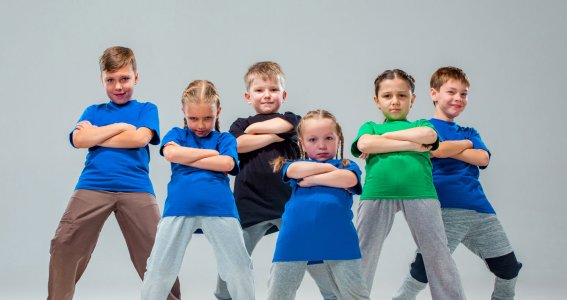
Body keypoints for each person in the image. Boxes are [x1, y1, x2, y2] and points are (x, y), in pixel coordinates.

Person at [47, 46, 180, 300]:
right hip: (92, 185)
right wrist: (118, 126)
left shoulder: (146, 109)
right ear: (102, 80)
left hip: (136, 187)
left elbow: (140, 139)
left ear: (136, 77)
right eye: (111, 80)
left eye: (124, 79)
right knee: (64, 243)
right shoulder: (94, 111)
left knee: (159, 251)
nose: (118, 86)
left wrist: (95, 135)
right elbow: (78, 140)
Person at [392, 67, 522, 300]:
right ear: (434, 94)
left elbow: (482, 158)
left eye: (464, 94)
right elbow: (434, 151)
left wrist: (448, 148)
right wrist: (465, 145)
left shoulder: (469, 130)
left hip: (481, 211)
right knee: (423, 271)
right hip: (443, 210)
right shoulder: (423, 127)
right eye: (452, 92)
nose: (458, 98)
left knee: (509, 269)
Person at [215, 61, 336, 300]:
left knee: (311, 251)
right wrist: (274, 137)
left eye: (273, 89)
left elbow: (286, 125)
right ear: (248, 96)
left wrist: (258, 133)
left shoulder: (293, 120)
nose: (267, 95)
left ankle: (333, 294)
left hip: (289, 203)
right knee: (234, 256)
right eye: (260, 90)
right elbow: (237, 145)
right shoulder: (241, 124)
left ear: (283, 94)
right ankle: (223, 296)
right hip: (248, 205)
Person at [351, 69, 465, 300]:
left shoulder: (423, 123)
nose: (395, 101)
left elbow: (429, 137)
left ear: (412, 99)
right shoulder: (370, 126)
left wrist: (381, 143)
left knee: (437, 254)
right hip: (376, 194)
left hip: (421, 193)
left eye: (402, 95)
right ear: (377, 100)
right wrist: (412, 145)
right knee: (362, 253)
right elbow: (364, 143)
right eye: (387, 96)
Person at [141, 80, 254, 300]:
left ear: (218, 111)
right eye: (193, 118)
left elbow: (227, 165)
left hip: (221, 209)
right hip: (178, 209)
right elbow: (172, 154)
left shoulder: (224, 138)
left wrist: (189, 156)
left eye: (207, 118)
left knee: (239, 271)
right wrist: (212, 155)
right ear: (183, 111)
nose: (200, 125)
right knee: (159, 271)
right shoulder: (177, 134)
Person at [267, 109, 370, 300]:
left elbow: (347, 179)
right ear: (302, 143)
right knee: (278, 294)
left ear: (338, 138)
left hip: (339, 240)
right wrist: (330, 169)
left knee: (355, 295)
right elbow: (295, 170)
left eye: (328, 138)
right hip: (295, 238)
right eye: (313, 140)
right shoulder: (295, 165)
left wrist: (312, 180)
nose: (321, 145)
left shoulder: (348, 167)